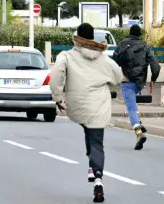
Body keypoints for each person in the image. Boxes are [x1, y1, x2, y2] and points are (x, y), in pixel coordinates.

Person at [50, 23, 123, 203]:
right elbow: (118, 77)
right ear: (92, 37)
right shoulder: (104, 59)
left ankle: (92, 167)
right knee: (96, 141)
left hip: (77, 103)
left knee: (87, 129)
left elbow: (56, 76)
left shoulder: (66, 56)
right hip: (98, 105)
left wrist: (58, 97)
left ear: (77, 37)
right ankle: (98, 177)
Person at [112, 25, 161, 150]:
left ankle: (139, 132)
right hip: (140, 82)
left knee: (131, 108)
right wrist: (153, 80)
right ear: (139, 34)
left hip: (126, 81)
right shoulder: (145, 46)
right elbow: (156, 66)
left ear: (129, 33)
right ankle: (139, 122)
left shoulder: (122, 44)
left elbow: (114, 61)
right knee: (132, 104)